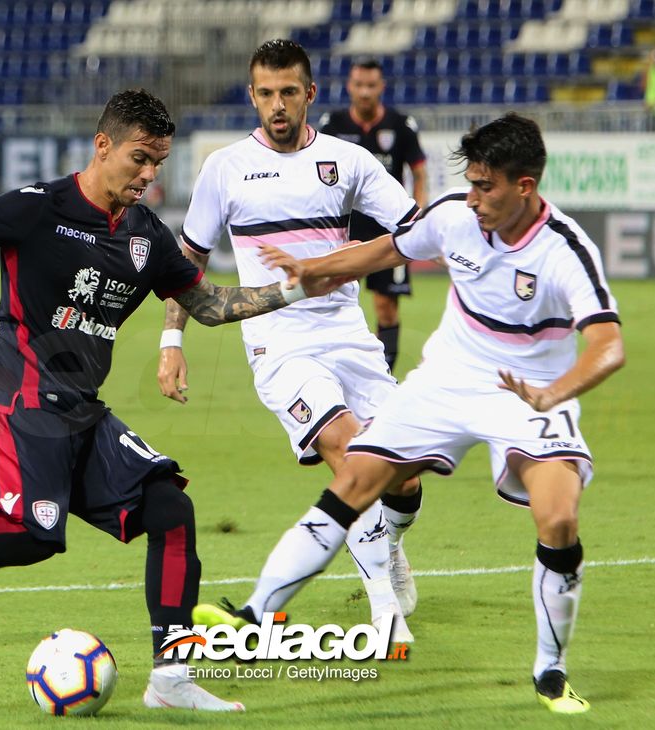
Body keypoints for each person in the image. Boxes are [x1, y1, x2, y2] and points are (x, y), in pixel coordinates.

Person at [0, 89, 341, 713]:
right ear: (103, 145)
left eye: (158, 162)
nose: (150, 174)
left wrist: (294, 290)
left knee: (168, 509)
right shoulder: (38, 207)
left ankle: (171, 678)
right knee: (34, 532)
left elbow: (209, 305)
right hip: (17, 393)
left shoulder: (146, 236)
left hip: (81, 405)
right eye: (140, 158)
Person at [197, 113, 626, 715]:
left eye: (486, 187)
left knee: (558, 519)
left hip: (531, 390)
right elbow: (380, 252)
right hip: (448, 379)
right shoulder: (454, 214)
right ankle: (253, 614)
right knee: (352, 477)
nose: (473, 198)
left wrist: (558, 393)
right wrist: (311, 270)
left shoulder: (565, 250)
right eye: (471, 183)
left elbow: (609, 345)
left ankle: (550, 673)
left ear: (524, 186)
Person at [157, 40, 422, 642]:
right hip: (279, 343)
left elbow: (412, 230)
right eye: (266, 94)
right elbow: (186, 263)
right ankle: (386, 611)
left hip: (349, 336)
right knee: (350, 453)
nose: (277, 105)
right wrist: (172, 341)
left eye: (288, 93)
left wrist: (332, 266)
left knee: (403, 475)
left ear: (310, 94)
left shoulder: (347, 161)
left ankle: (391, 543)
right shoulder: (224, 167)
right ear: (253, 96)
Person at [320, 58, 428, 373]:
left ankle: (384, 376)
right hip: (345, 228)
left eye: (371, 85)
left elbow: (419, 174)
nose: (365, 92)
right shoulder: (333, 125)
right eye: (359, 85)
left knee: (385, 306)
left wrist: (415, 221)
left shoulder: (401, 126)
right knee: (331, 301)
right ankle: (330, 370)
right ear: (349, 87)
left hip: (387, 229)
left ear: (381, 87)